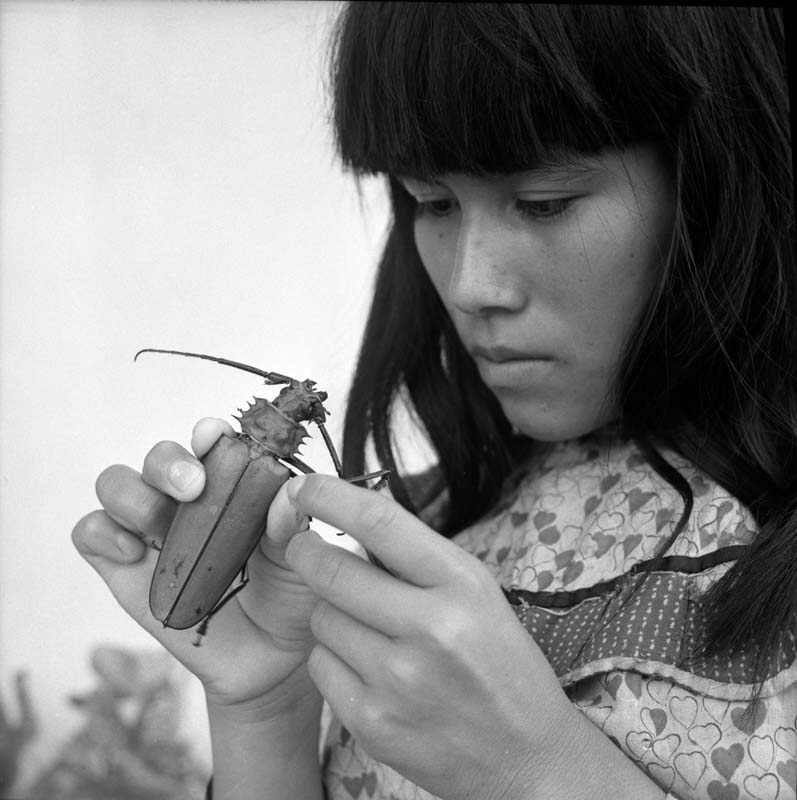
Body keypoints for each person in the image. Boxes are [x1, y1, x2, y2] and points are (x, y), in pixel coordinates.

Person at [72, 5, 796, 799]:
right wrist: (262, 712)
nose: (468, 285)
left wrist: (539, 773)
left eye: (545, 201)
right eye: (433, 203)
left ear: (718, 178)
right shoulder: (426, 526)